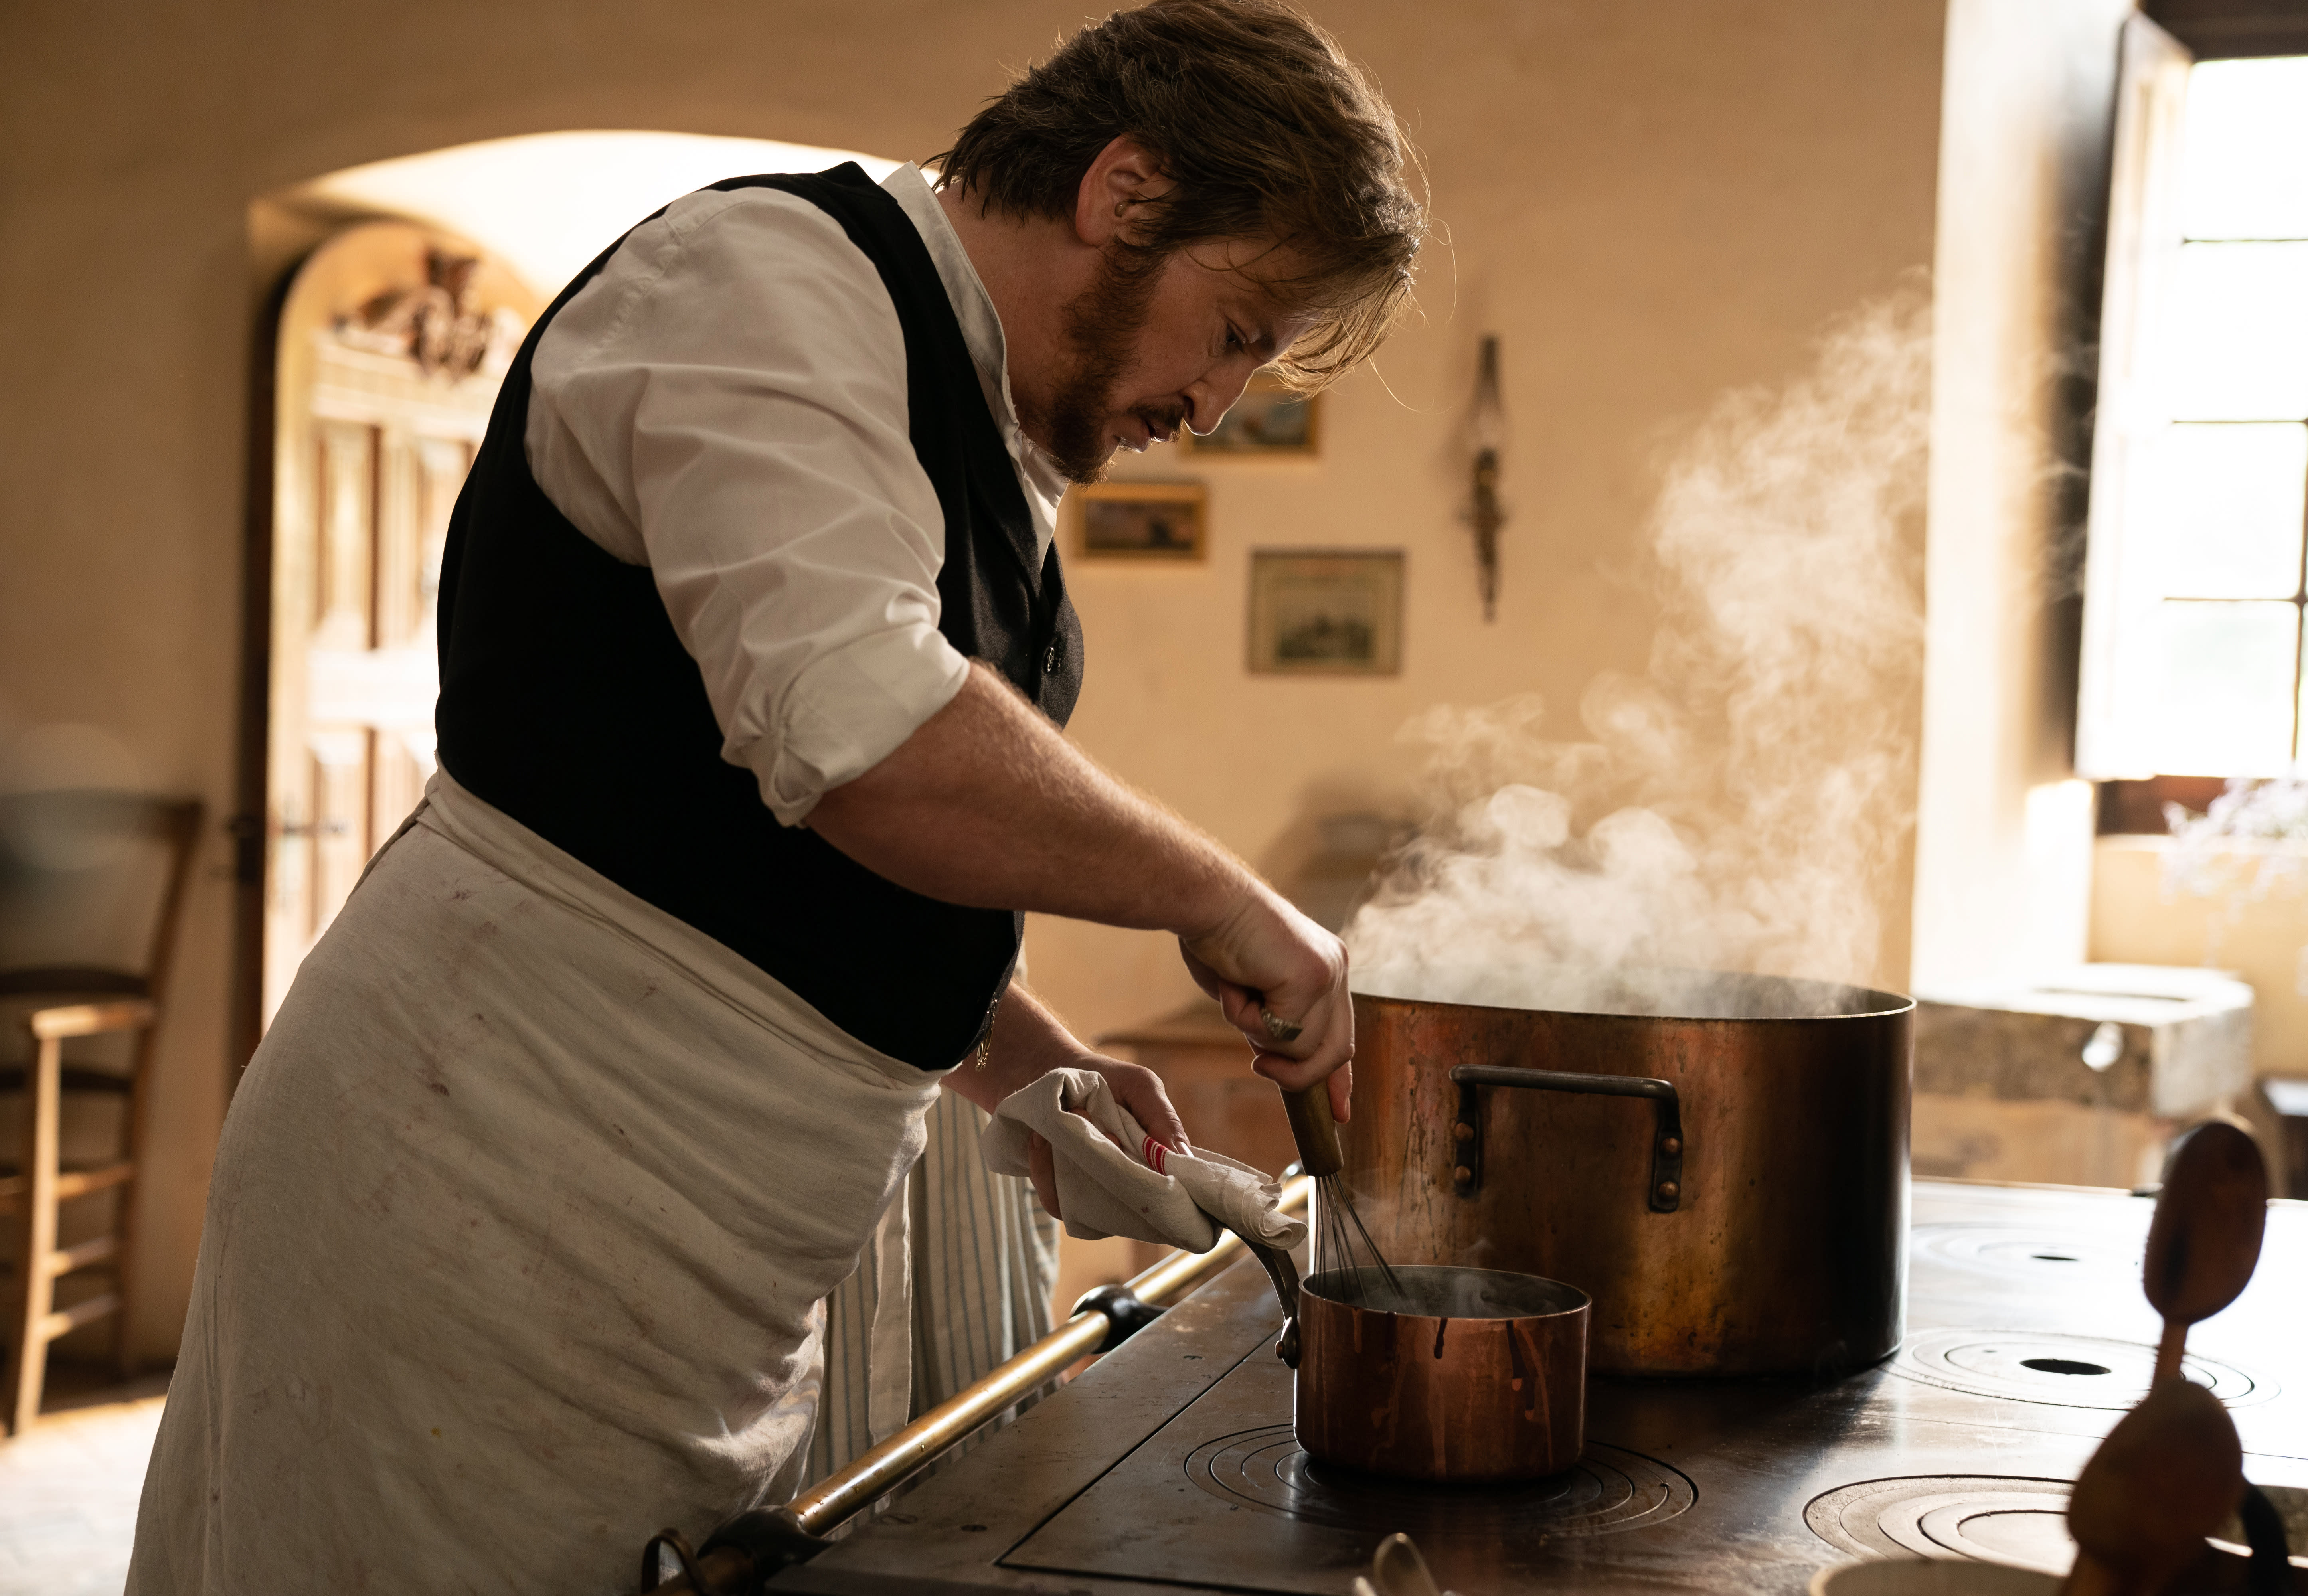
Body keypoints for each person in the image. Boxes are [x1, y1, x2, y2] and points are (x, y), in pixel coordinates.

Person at [127, 1, 1422, 1588]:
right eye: (1234, 332)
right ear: (1126, 191)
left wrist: (1023, 1063)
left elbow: (777, 859)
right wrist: (1220, 895)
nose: (1217, 404)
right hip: (474, 1198)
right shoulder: (765, 285)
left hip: (690, 1277)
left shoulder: (984, 440)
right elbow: (864, 739)